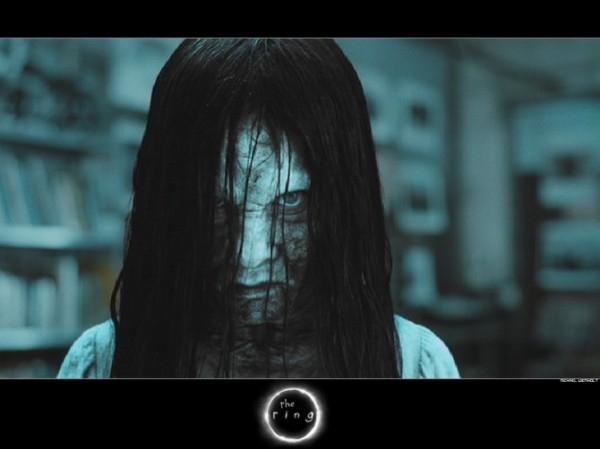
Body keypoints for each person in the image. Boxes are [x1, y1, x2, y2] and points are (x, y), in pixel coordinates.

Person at [58, 38, 459, 378]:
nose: (249, 257)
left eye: (291, 201)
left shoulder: (414, 363)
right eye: (214, 204)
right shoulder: (101, 363)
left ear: (342, 204)